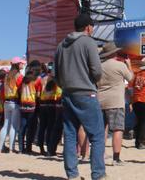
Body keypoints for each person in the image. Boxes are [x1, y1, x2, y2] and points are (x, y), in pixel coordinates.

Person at [54, 13, 106, 180]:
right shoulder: (88, 42)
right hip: (86, 93)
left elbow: (55, 74)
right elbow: (97, 71)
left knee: (69, 134)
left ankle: (72, 175)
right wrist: (92, 81)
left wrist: (65, 85)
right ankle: (98, 174)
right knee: (97, 135)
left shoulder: (61, 45)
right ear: (88, 27)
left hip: (67, 94)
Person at [97, 41, 134, 166]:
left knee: (102, 130)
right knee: (118, 129)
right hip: (116, 101)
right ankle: (116, 158)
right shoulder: (120, 65)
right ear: (114, 53)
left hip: (100, 100)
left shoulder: (99, 66)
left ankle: (100, 155)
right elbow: (130, 78)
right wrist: (129, 65)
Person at [0, 56, 26, 153]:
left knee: (5, 125)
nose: (23, 64)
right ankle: (11, 149)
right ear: (18, 64)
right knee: (13, 126)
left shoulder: (6, 76)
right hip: (15, 102)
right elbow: (21, 89)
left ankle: (0, 148)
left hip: (6, 102)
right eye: (21, 63)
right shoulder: (19, 76)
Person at [37, 72, 63, 156]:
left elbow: (39, 92)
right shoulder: (56, 81)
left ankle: (41, 148)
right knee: (50, 128)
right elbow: (59, 93)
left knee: (42, 127)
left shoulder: (43, 79)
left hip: (42, 104)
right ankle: (49, 148)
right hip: (52, 105)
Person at [19, 70, 39, 154]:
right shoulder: (34, 82)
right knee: (30, 128)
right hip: (31, 106)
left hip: (23, 106)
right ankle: (28, 148)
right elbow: (37, 95)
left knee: (22, 127)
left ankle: (21, 148)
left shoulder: (23, 84)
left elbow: (19, 92)